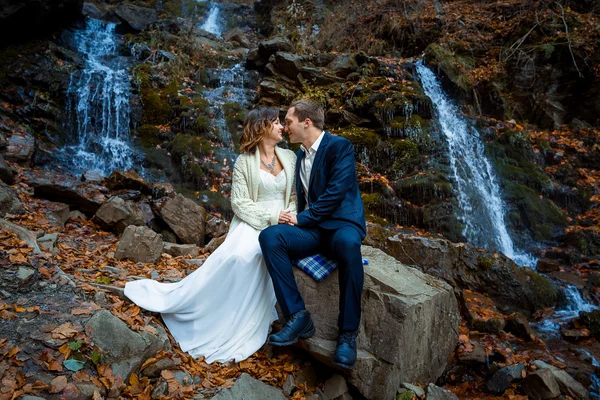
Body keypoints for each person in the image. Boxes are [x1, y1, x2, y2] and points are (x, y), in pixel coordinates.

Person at [124, 108, 298, 363]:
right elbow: (240, 204)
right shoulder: (244, 162)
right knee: (240, 256)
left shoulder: (290, 157)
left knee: (267, 253)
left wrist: (289, 217)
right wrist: (273, 217)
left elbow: (294, 197)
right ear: (262, 128)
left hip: (285, 222)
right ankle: (209, 310)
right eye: (275, 123)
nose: (282, 127)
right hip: (252, 222)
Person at [259, 99, 366, 370]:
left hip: (342, 226)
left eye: (289, 121)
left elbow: (334, 195)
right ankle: (297, 316)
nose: (284, 127)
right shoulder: (298, 156)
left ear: (307, 122)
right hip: (314, 231)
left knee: (350, 245)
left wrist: (300, 218)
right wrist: (288, 217)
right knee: (271, 237)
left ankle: (347, 336)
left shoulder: (340, 146)